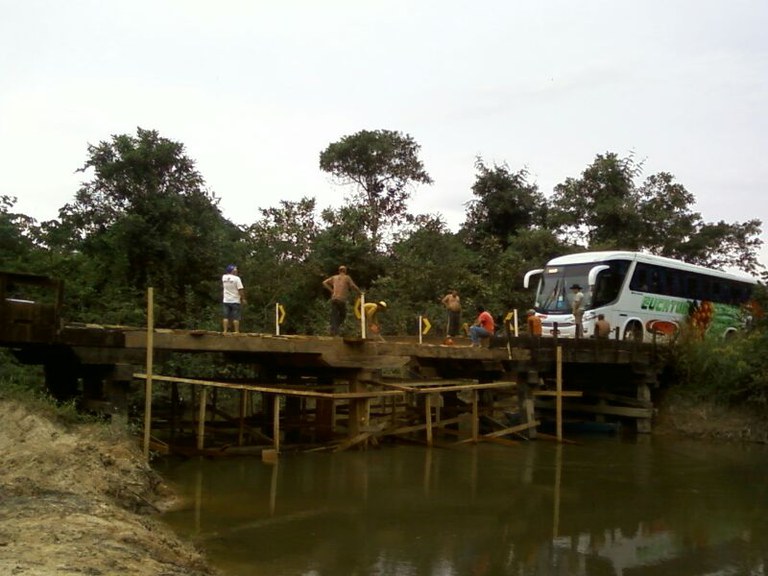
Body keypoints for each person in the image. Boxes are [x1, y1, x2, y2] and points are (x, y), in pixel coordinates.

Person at [322, 265, 362, 336]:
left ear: (339, 271)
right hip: (341, 299)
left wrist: (331, 291)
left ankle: (333, 330)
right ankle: (335, 329)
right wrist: (360, 292)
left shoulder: (334, 277)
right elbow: (352, 286)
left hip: (334, 298)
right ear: (345, 271)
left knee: (334, 315)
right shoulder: (347, 278)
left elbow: (324, 283)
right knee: (343, 315)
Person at [222, 264, 246, 334]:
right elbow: (240, 289)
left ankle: (225, 331)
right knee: (236, 317)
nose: (236, 271)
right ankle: (236, 331)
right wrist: (243, 299)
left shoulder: (223, 277)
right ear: (233, 271)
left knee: (225, 316)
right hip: (235, 300)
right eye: (235, 270)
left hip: (226, 300)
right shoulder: (237, 279)